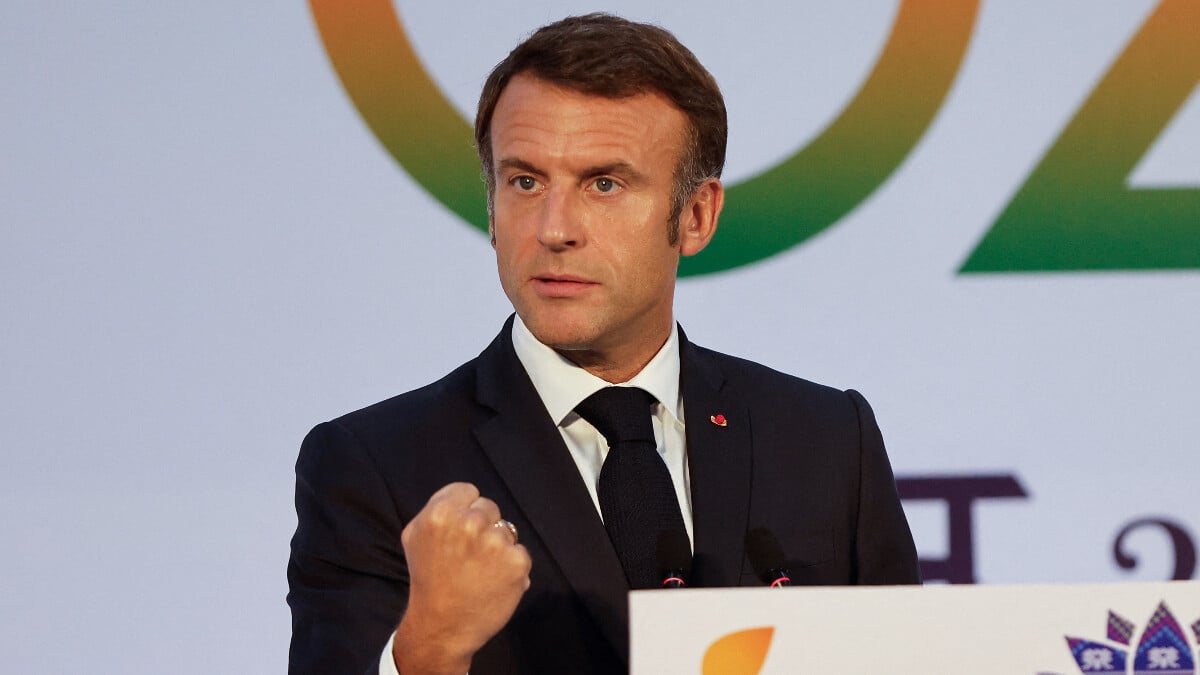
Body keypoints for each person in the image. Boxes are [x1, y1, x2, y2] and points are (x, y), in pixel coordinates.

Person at [287, 13, 919, 675]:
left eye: (604, 184)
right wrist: (429, 649)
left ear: (696, 215)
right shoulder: (374, 466)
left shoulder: (826, 441)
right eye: (525, 182)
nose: (554, 229)